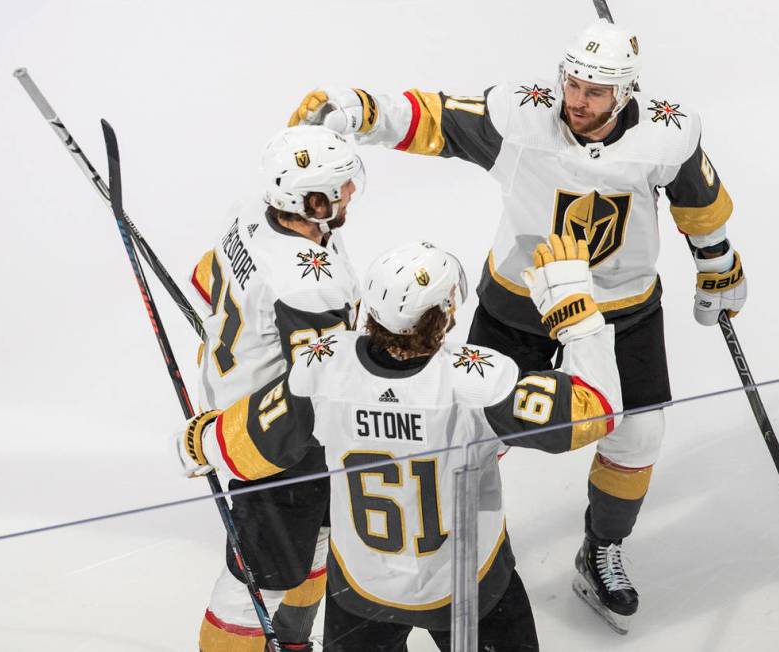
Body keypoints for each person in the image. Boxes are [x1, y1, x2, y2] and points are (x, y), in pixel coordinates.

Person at [286, 18, 747, 633]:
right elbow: (435, 120)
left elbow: (697, 202)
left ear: (627, 93)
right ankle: (437, 537)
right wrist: (360, 110)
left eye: (595, 92)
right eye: (572, 83)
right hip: (519, 302)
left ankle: (600, 547)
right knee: (470, 434)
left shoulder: (667, 132)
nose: (576, 101)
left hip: (621, 307)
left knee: (636, 439)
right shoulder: (522, 117)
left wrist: (717, 264)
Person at [176, 236, 623, 651]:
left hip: (361, 591)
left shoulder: (324, 368)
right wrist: (577, 316)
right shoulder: (476, 382)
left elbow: (249, 445)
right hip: (466, 589)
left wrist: (201, 442)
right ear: (445, 313)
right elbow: (598, 411)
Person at [188, 125, 363, 650]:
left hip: (237, 402)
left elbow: (204, 281)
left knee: (317, 544)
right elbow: (322, 387)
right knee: (253, 585)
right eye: (342, 187)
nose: (352, 192)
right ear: (312, 201)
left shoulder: (248, 215)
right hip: (276, 440)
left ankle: (288, 643)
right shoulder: (311, 283)